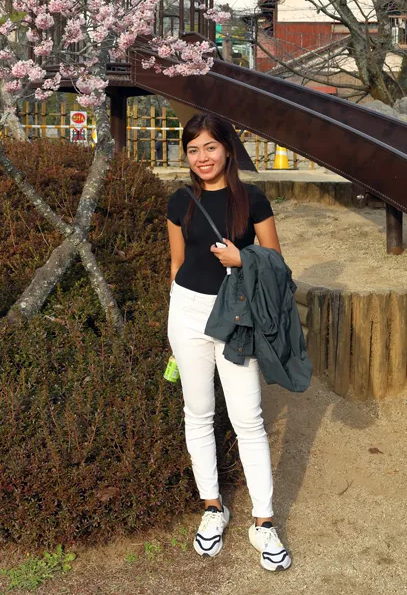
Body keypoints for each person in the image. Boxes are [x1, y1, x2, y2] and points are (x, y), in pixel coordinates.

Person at [166, 113, 292, 571]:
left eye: (211, 147)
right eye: (193, 149)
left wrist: (244, 258)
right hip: (187, 313)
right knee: (197, 414)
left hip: (237, 315)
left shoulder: (253, 199)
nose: (202, 157)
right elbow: (177, 264)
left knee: (248, 418)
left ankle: (263, 520)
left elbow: (276, 262)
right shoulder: (179, 201)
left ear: (228, 150)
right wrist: (176, 322)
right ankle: (212, 508)